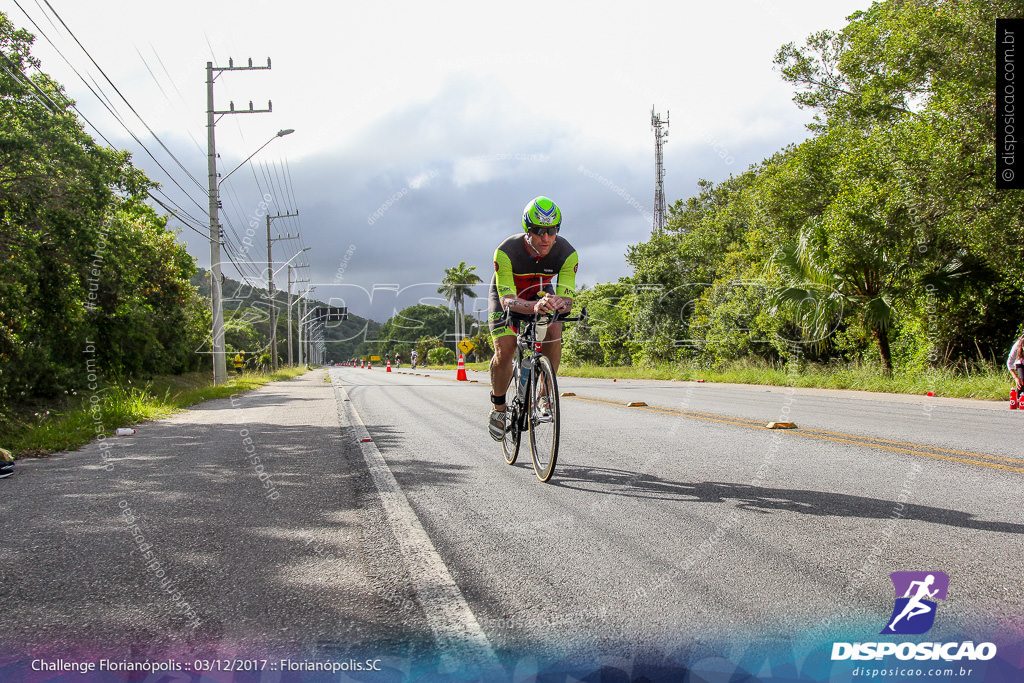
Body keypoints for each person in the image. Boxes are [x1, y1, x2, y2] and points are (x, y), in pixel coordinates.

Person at [487, 196, 577, 441]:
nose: (546, 238)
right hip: (509, 295)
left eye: (552, 231)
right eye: (538, 231)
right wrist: (534, 306)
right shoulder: (506, 251)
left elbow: (567, 296)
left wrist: (561, 302)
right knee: (505, 350)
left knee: (555, 326)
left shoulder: (567, 253)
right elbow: (507, 300)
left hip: (540, 291)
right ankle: (498, 408)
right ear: (527, 229)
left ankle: (546, 395)